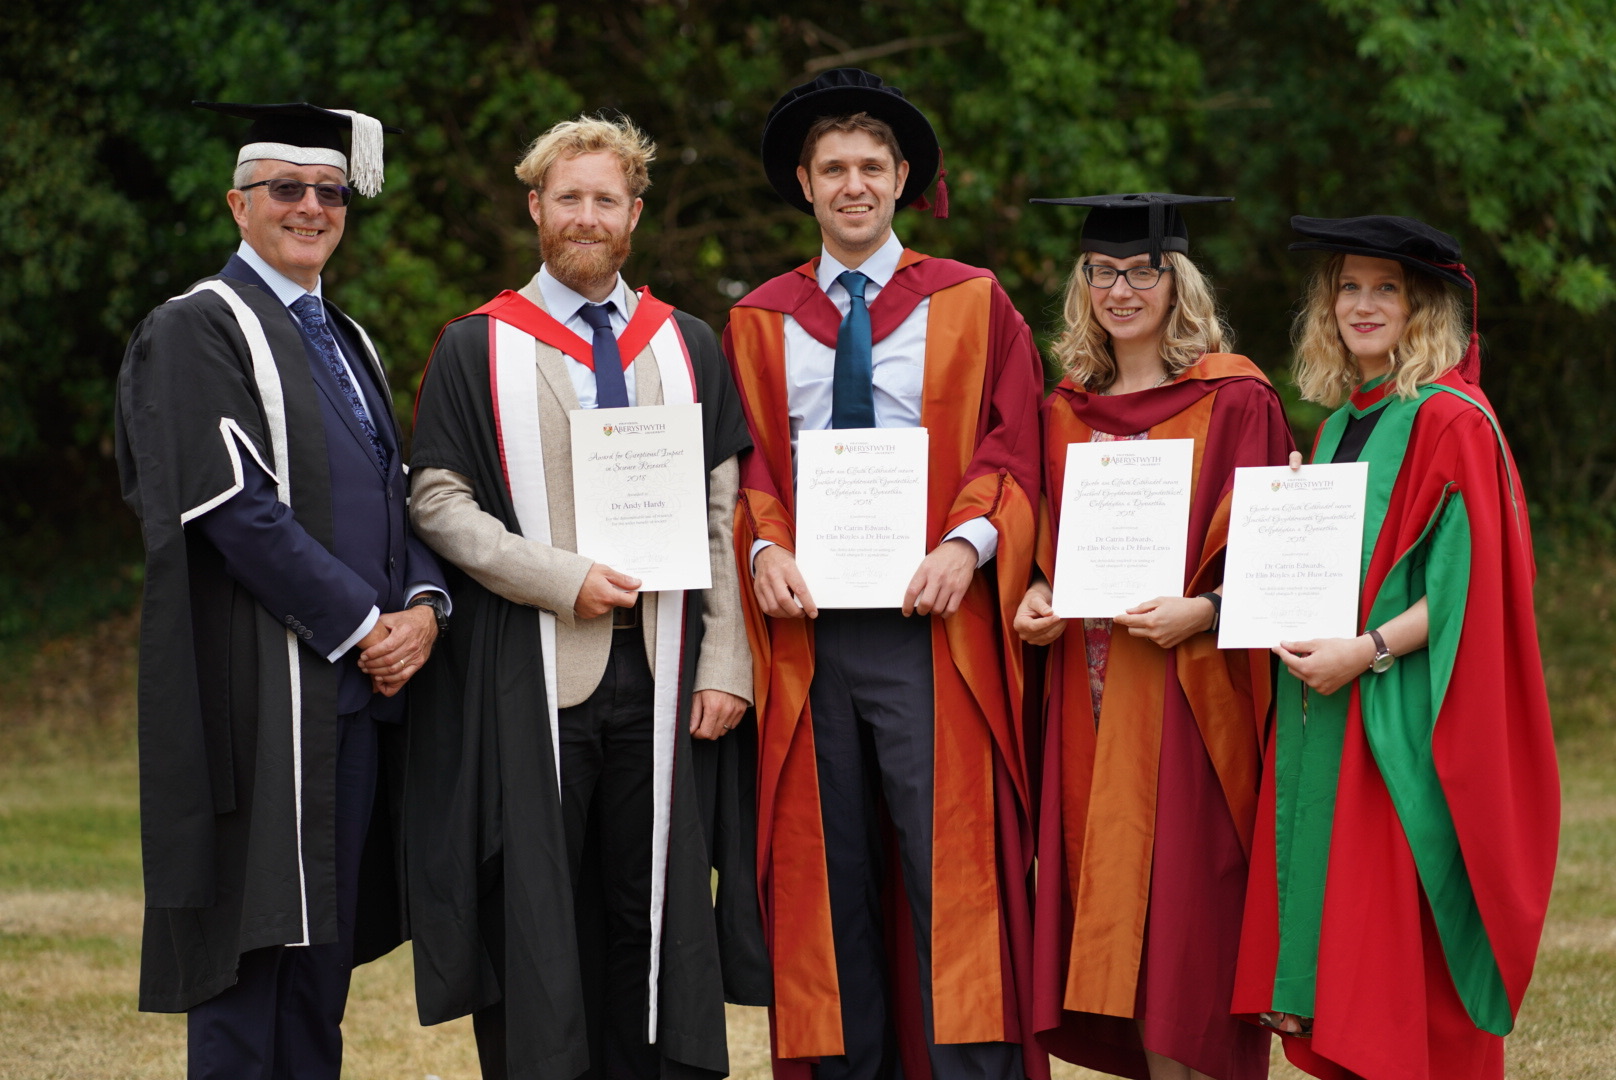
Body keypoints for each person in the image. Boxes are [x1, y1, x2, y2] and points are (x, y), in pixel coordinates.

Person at [404, 114, 763, 1080]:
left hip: (664, 675)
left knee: (645, 911)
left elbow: (726, 512)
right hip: (539, 673)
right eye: (569, 197)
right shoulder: (477, 347)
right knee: (540, 906)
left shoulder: (686, 343)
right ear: (536, 207)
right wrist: (561, 580)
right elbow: (438, 503)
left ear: (635, 215)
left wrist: (728, 661)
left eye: (607, 199)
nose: (587, 216)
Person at [114, 101, 449, 1079]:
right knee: (251, 955)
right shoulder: (195, 330)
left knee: (319, 971)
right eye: (286, 189)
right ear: (238, 204)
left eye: (330, 191)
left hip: (355, 706)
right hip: (263, 695)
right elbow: (234, 513)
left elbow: (398, 496)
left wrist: (423, 611)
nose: (311, 206)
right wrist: (362, 626)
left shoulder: (349, 338)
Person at [723, 68, 1045, 1080]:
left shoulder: (972, 301)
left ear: (902, 178)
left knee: (948, 873)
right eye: (832, 169)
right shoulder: (758, 321)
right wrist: (764, 547)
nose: (852, 185)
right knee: (830, 877)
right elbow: (744, 468)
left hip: (931, 632)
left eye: (871, 166)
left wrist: (966, 546)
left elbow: (1015, 445)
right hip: (809, 639)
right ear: (805, 186)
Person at [1230, 215, 1559, 1080]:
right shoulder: (1344, 422)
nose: (1364, 305)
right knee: (1350, 945)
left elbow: (1466, 596)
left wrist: (1366, 650)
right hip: (1331, 714)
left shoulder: (1453, 419)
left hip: (1401, 717)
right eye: (1349, 287)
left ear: (1424, 307)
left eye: (1387, 288)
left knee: (1401, 945)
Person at [1012, 193, 1293, 1080]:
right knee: (1121, 949)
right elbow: (1044, 541)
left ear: (1178, 282)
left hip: (1192, 704)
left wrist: (1204, 612)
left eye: (1143, 272)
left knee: (1185, 935)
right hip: (1089, 707)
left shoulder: (1237, 396)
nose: (1121, 289)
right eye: (1103, 271)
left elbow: (1279, 553)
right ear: (1082, 282)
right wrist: (1037, 595)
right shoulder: (1064, 409)